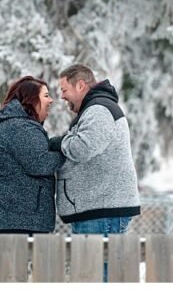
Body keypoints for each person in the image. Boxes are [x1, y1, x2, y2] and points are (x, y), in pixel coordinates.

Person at [0, 76, 65, 235]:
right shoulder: (21, 127)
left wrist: (57, 143)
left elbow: (35, 154)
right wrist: (67, 150)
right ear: (31, 99)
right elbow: (41, 163)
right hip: (7, 220)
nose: (51, 100)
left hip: (8, 218)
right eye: (46, 96)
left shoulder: (17, 125)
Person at [50, 64, 140, 235]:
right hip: (97, 210)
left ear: (81, 85)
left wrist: (60, 142)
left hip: (101, 212)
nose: (62, 96)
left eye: (64, 90)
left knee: (96, 262)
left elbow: (82, 148)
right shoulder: (95, 109)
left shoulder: (99, 110)